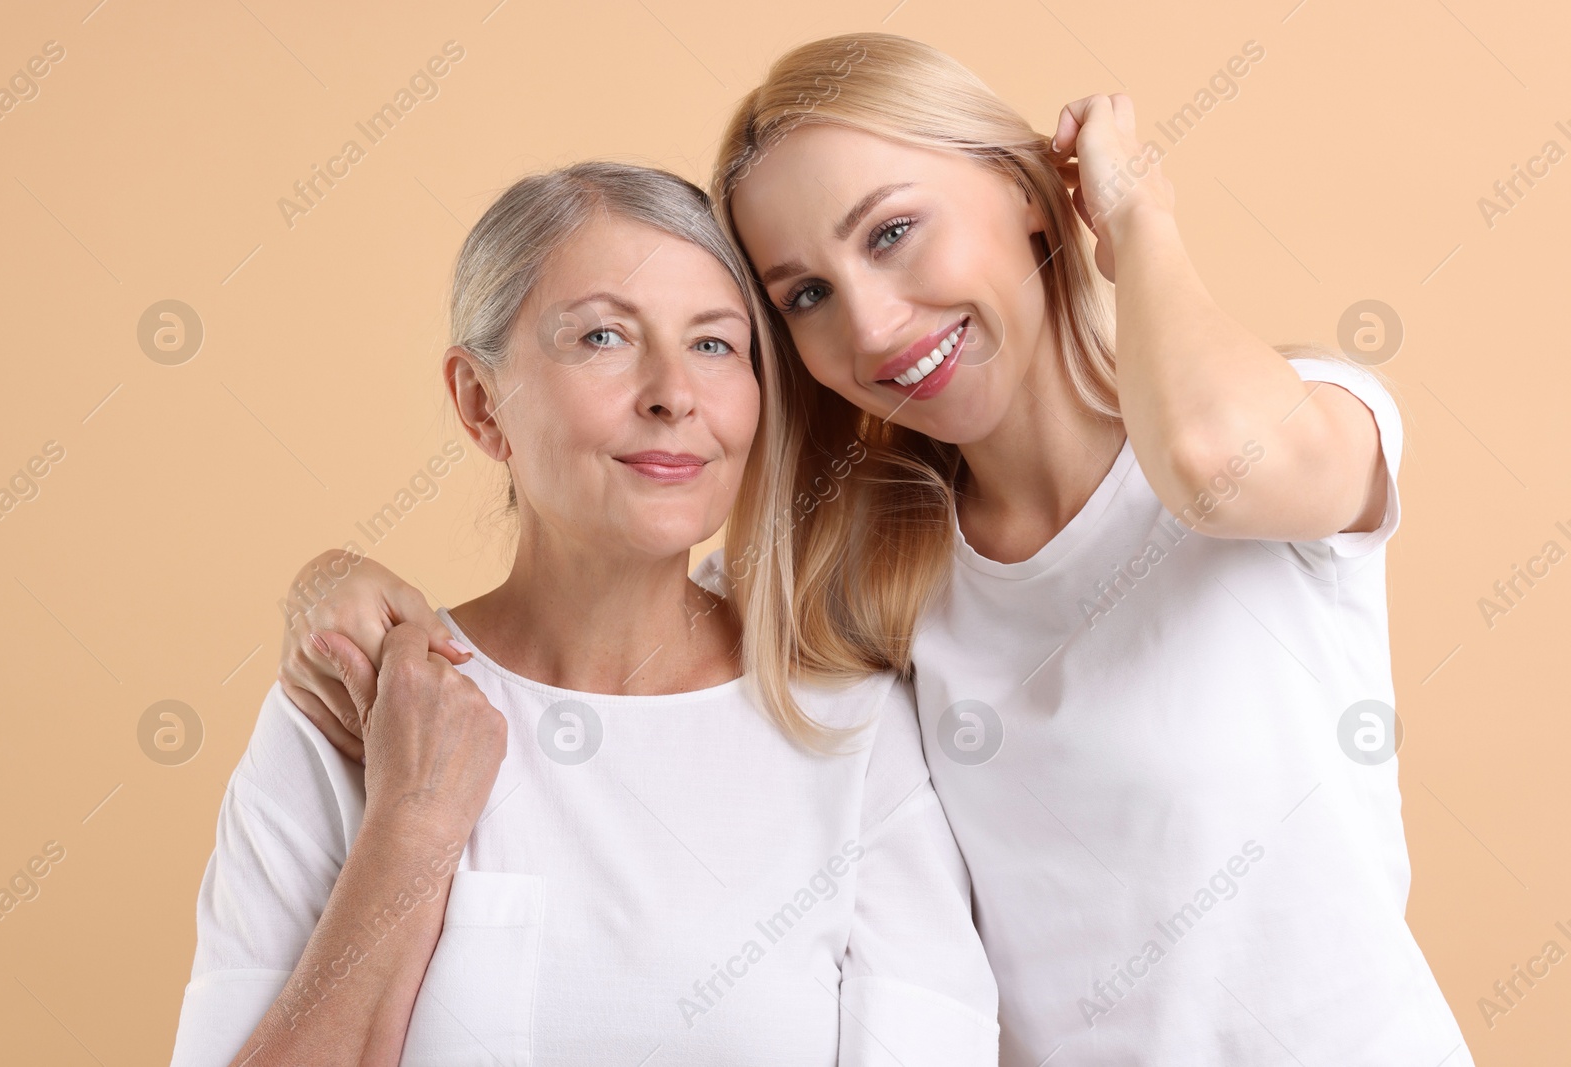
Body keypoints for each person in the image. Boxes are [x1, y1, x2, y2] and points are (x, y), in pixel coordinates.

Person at [275, 34, 1473, 1066]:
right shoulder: (870, 579)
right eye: (801, 295)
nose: (872, 322)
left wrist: (1137, 212)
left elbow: (1211, 464)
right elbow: (619, 625)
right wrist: (338, 586)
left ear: (1023, 192)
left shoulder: (1304, 419)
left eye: (894, 231)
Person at [169, 160, 999, 1067]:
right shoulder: (354, 709)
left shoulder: (851, 729)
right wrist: (411, 826)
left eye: (716, 345)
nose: (673, 393)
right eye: (604, 336)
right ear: (481, 403)